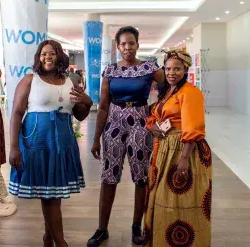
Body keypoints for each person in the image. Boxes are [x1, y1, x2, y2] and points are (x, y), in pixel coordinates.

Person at [9, 40, 93, 247]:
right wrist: (13, 147)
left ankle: (49, 238)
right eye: (44, 53)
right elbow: (17, 114)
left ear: (59, 57)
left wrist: (87, 102)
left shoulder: (69, 81)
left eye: (53, 53)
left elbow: (80, 115)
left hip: (62, 144)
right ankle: (60, 242)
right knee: (50, 196)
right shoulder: (30, 80)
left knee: (53, 193)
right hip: (37, 144)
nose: (48, 57)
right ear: (39, 57)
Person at [88, 26, 164, 247]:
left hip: (141, 124)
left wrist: (156, 109)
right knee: (108, 177)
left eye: (131, 43)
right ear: (118, 46)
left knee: (141, 177)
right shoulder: (110, 71)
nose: (127, 48)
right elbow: (102, 107)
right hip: (113, 124)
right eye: (123, 44)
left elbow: (169, 85)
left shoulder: (149, 67)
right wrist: (95, 138)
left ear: (138, 45)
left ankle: (136, 226)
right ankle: (102, 228)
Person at [143, 50, 212, 246]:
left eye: (177, 69)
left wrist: (183, 159)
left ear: (186, 70)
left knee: (180, 201)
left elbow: (192, 126)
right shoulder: (168, 91)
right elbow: (155, 113)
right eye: (168, 68)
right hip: (164, 148)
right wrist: (152, 125)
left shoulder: (191, 92)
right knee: (163, 198)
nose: (172, 72)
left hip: (184, 150)